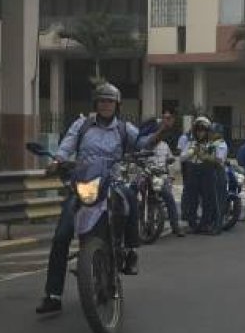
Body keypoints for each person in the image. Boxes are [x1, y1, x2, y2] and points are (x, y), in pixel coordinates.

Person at [36, 83, 166, 315]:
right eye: (102, 101)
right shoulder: (82, 125)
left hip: (112, 181)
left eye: (110, 101)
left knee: (129, 197)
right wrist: (57, 161)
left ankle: (131, 250)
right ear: (95, 104)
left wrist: (161, 131)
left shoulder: (124, 128)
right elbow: (66, 146)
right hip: (84, 184)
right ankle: (53, 295)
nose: (105, 105)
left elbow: (143, 143)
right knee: (62, 235)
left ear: (117, 105)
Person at [138, 117, 184, 238]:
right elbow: (138, 159)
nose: (160, 135)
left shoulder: (165, 145)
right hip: (146, 176)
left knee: (169, 198)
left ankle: (175, 227)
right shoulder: (145, 146)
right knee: (133, 195)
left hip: (160, 178)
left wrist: (170, 170)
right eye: (158, 132)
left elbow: (171, 159)